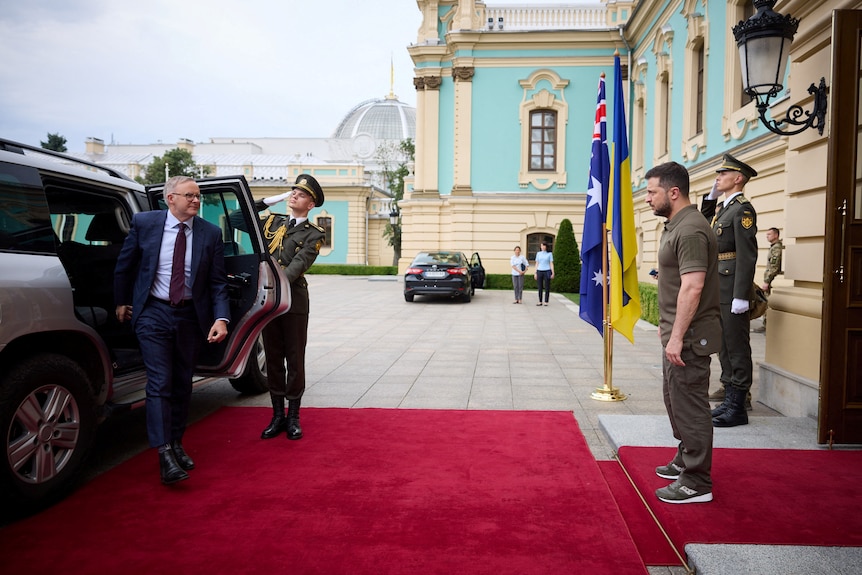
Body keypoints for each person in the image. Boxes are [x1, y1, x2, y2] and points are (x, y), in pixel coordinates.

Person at [114, 176, 230, 485]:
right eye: (189, 195)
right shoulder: (145, 224)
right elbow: (125, 265)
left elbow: (217, 282)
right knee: (160, 381)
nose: (196, 200)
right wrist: (122, 301)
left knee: (182, 384)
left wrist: (221, 319)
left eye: (198, 196)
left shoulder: (210, 233)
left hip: (191, 317)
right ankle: (164, 451)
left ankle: (176, 442)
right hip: (153, 312)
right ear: (170, 199)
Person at [645, 161, 720, 504]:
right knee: (675, 400)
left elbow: (693, 287)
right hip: (676, 334)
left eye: (652, 192)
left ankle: (697, 481)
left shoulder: (690, 229)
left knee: (690, 405)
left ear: (673, 193)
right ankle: (685, 455)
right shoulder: (676, 224)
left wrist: (676, 337)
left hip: (688, 337)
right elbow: (681, 276)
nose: (647, 199)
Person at [253, 174, 326, 441]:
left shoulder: (314, 233)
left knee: (294, 359)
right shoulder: (271, 222)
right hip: (270, 300)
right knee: (273, 358)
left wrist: (272, 278)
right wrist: (269, 201)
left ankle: (293, 417)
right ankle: (277, 416)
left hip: (293, 300)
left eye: (301, 194)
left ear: (311, 204)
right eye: (293, 191)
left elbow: (297, 266)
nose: (294, 195)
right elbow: (239, 219)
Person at [700, 153, 758, 427]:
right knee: (724, 345)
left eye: (722, 175)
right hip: (719, 286)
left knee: (736, 346)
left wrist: (740, 295)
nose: (717, 178)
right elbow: (704, 223)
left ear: (738, 179)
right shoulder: (725, 208)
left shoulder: (742, 210)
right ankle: (729, 399)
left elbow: (747, 255)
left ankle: (738, 405)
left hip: (732, 287)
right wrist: (711, 199)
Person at [533, 242, 554, 306]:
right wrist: (535, 272)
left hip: (547, 270)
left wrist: (553, 272)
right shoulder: (538, 254)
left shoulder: (549, 254)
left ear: (546, 247)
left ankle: (546, 301)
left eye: (544, 246)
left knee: (547, 286)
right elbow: (537, 263)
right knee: (540, 287)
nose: (543, 247)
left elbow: (551, 263)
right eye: (542, 246)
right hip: (539, 270)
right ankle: (540, 301)